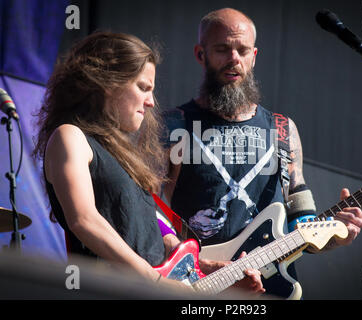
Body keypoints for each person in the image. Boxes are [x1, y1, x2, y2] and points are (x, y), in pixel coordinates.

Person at [32, 31, 264, 296]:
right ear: (107, 82)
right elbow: (84, 220)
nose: (151, 101)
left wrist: (205, 267)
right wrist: (152, 280)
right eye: (143, 87)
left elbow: (154, 233)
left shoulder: (122, 155)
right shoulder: (69, 136)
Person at [162, 8, 362, 296]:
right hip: (193, 284)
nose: (234, 59)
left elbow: (302, 226)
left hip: (266, 288)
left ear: (254, 56)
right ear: (200, 54)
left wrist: (335, 235)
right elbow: (151, 216)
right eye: (222, 49)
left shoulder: (283, 129)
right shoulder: (172, 125)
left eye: (242, 50)